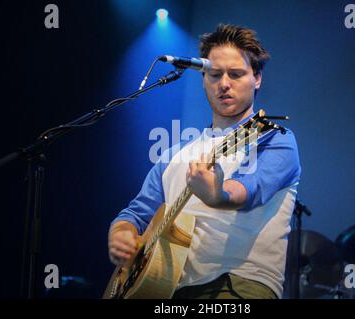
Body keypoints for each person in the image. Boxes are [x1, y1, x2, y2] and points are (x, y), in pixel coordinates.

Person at [107, 23, 301, 299]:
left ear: (257, 78)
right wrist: (121, 235)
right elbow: (135, 215)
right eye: (214, 74)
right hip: (168, 290)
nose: (224, 83)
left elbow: (247, 190)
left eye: (235, 74)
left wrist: (217, 193)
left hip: (237, 287)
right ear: (203, 79)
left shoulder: (274, 140)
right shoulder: (175, 154)